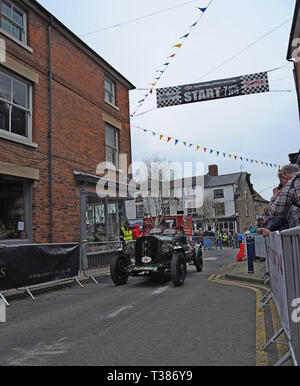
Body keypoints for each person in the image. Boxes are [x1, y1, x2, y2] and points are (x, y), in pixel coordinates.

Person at [269, 164, 300, 229]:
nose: (282, 186)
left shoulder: (291, 183)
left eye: (281, 182)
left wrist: (275, 196)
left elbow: (274, 211)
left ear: (284, 176)